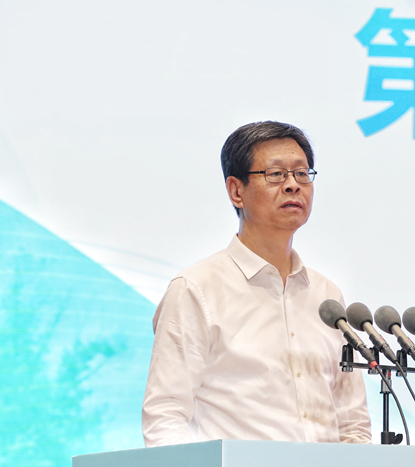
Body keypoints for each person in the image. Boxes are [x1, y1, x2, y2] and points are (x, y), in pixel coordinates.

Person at [142, 121, 372, 446]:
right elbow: (166, 414)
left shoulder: (327, 298)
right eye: (275, 174)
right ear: (237, 191)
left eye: (302, 173)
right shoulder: (196, 289)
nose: (293, 185)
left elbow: (352, 424)